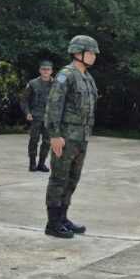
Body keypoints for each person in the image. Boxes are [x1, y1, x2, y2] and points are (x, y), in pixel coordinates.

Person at [44, 35, 99, 238]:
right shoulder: (65, 75)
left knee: (72, 180)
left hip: (81, 138)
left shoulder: (87, 78)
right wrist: (55, 135)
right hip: (65, 137)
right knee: (59, 179)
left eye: (94, 54)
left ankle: (63, 218)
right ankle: (52, 224)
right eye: (90, 53)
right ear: (77, 53)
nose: (93, 56)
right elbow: (53, 106)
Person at [20, 61, 54, 172]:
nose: (45, 71)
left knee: (47, 141)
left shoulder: (56, 84)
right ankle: (32, 163)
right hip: (36, 117)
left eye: (48, 69)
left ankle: (41, 164)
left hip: (49, 118)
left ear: (51, 71)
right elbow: (24, 100)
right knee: (34, 140)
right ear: (40, 70)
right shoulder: (33, 83)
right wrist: (27, 112)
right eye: (43, 69)